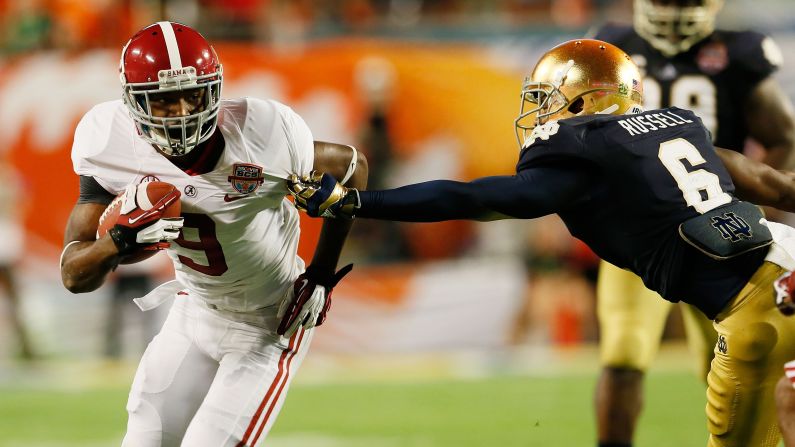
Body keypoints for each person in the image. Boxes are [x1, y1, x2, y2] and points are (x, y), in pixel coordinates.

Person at [287, 38, 795, 446]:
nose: (540, 112)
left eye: (547, 99)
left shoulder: (584, 149)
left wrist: (361, 202)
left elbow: (476, 198)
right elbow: (776, 186)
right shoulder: (677, 127)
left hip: (758, 312)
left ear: (589, 97)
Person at [59, 21, 367, 447]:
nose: (183, 111)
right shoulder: (108, 140)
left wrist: (321, 273)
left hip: (269, 322)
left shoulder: (264, 133)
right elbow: (74, 274)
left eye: (193, 94)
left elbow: (352, 168)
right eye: (165, 100)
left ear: (215, 89)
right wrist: (120, 242)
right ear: (133, 103)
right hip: (194, 310)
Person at [589, 1, 795, 445]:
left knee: (734, 362)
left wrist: (741, 209)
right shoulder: (614, 46)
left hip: (717, 234)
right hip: (641, 236)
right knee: (623, 354)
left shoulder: (738, 51)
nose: (673, 8)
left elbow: (783, 136)